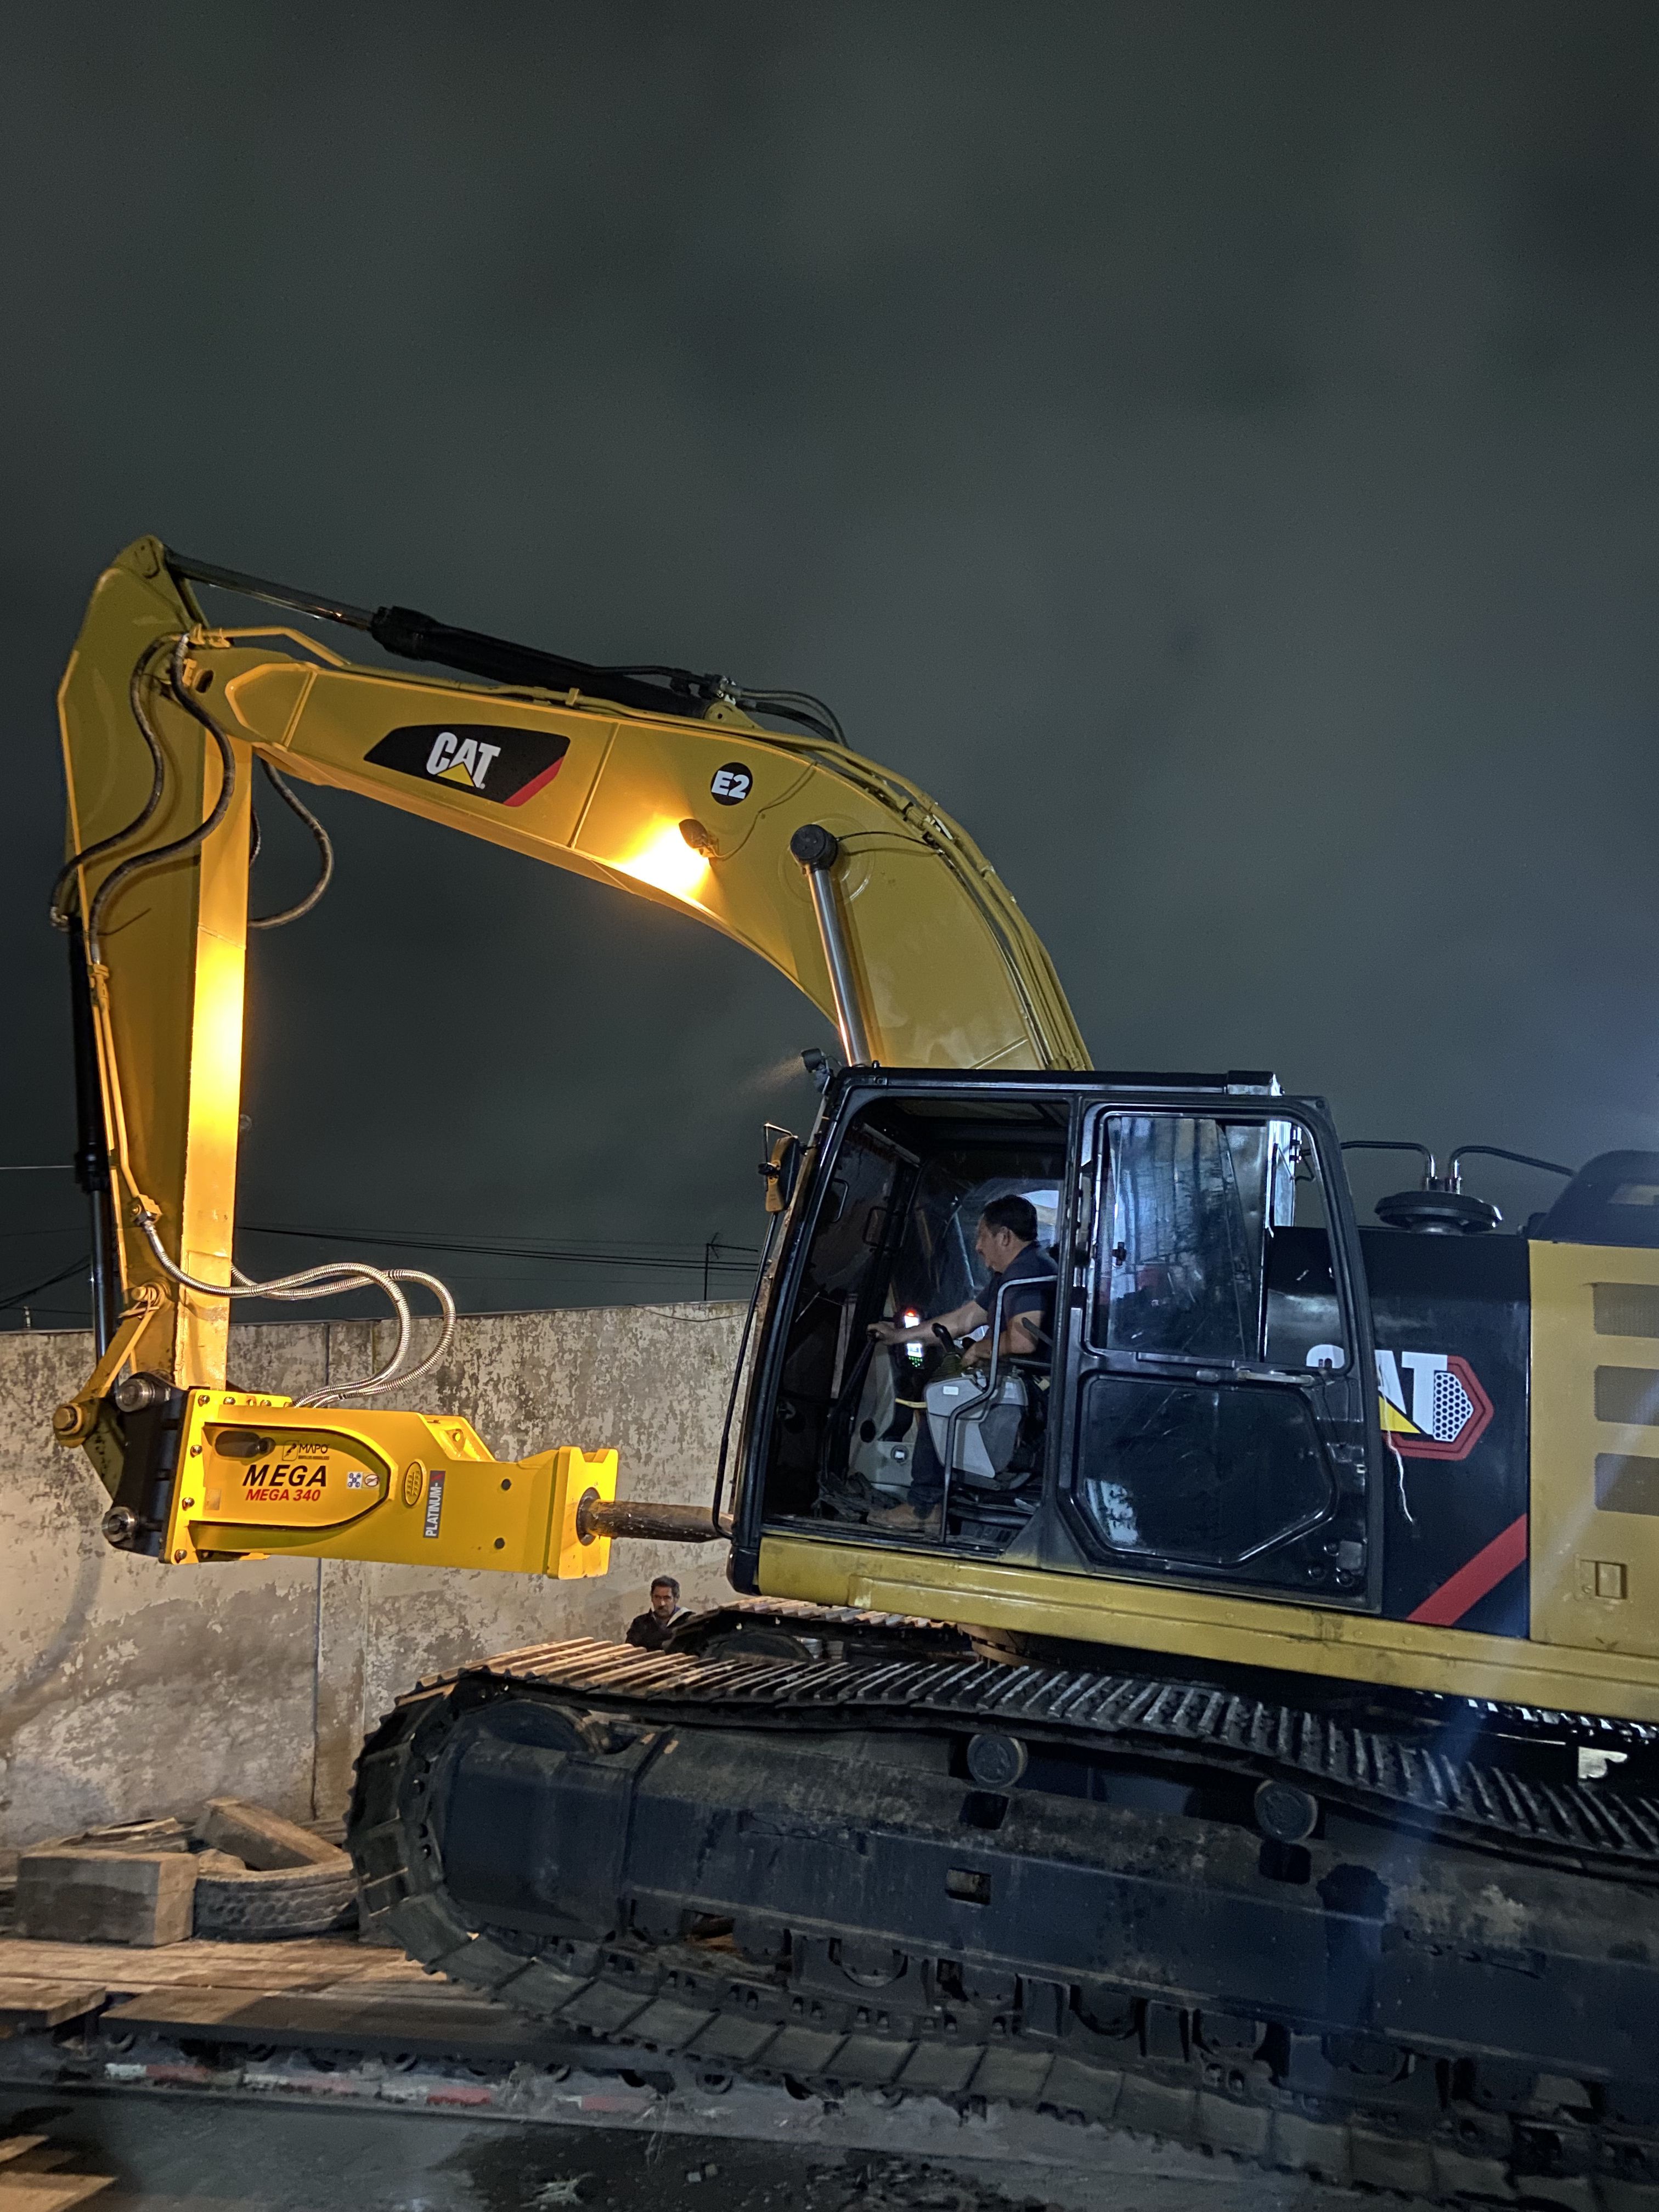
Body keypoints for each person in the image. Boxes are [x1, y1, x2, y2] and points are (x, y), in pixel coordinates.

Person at [864, 1194, 1057, 1532]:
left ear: (1004, 1236)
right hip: (1026, 1380)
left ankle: (925, 1506)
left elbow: (1024, 1341)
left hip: (1037, 1389)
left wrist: (980, 1350)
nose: (978, 1247)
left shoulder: (1028, 1273)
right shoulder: (1013, 1272)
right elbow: (962, 1319)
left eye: (982, 1236)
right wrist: (898, 1337)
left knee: (942, 1396)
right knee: (946, 1388)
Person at [625, 1574, 690, 1650]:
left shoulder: (689, 1622)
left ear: (676, 1599)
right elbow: (629, 1652)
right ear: (652, 1598)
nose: (662, 1603)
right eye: (657, 1597)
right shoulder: (640, 1623)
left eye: (667, 1598)